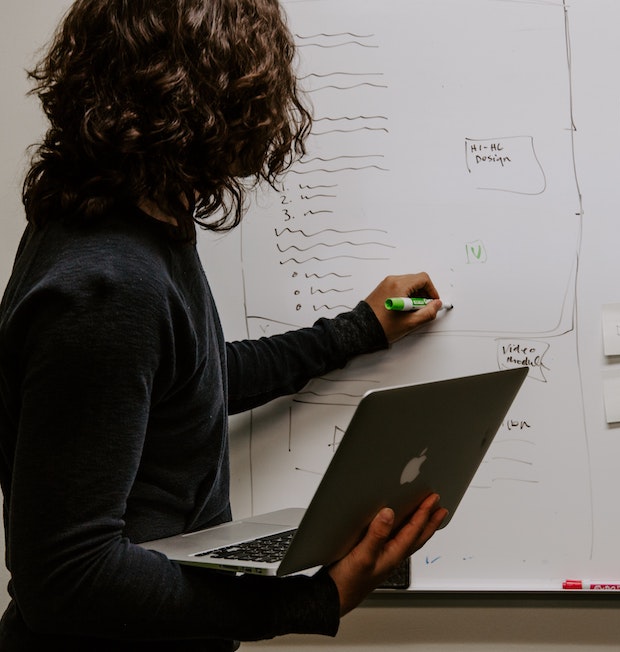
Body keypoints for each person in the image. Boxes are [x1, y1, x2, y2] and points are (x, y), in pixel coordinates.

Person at [0, 0, 450, 649]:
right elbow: (67, 579)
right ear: (212, 110)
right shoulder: (105, 286)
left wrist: (360, 330)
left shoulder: (133, 222)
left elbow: (189, 379)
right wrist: (311, 600)